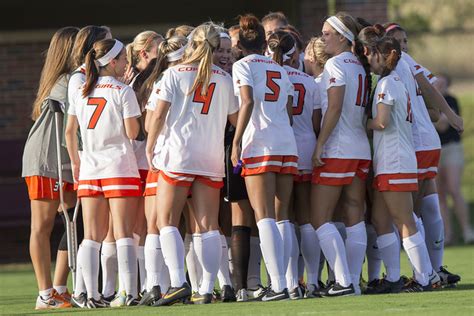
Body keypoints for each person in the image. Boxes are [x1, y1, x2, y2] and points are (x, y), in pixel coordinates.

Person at [146, 23, 238, 306]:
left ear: (193, 44)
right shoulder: (224, 78)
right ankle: (208, 288)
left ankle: (176, 283)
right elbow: (235, 120)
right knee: (209, 225)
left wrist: (150, 147)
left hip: (179, 155)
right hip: (210, 157)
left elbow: (158, 116)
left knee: (166, 221)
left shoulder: (173, 73)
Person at [65, 38, 142, 308]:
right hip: (119, 166)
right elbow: (133, 133)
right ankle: (129, 292)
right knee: (123, 233)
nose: (126, 63)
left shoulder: (82, 90)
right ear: (112, 61)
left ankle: (88, 295)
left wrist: (76, 162)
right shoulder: (123, 90)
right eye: (123, 59)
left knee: (91, 236)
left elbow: (69, 133)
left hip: (90, 168)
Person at [357, 26, 434, 293]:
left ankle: (426, 278)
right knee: (383, 218)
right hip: (396, 158)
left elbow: (382, 121)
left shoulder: (387, 83)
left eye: (372, 54)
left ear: (382, 55)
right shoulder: (397, 82)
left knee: (405, 221)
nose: (369, 59)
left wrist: (363, 122)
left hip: (395, 160)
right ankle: (394, 278)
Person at [385, 22, 461, 287]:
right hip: (425, 141)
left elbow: (430, 90)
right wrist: (436, 114)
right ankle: (434, 269)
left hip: (414, 144)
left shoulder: (398, 63)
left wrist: (448, 115)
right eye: (398, 40)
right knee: (428, 205)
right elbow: (430, 94)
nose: (403, 46)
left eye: (404, 41)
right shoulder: (406, 63)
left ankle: (425, 273)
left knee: (407, 212)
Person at [231, 14, 298, 301]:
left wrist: (236, 141)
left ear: (240, 44)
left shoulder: (242, 65)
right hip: (286, 142)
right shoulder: (278, 67)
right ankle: (292, 284)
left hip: (260, 143)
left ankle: (278, 285)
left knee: (264, 217)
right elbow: (290, 111)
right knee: (283, 218)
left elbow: (247, 101)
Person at [311, 13, 369, 297]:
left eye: (328, 33)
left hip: (338, 148)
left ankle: (343, 281)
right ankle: (354, 281)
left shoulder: (335, 64)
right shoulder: (360, 64)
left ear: (345, 37)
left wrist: (320, 144)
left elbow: (333, 107)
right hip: (360, 147)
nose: (323, 38)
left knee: (320, 217)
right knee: (354, 214)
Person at [22, 26, 79, 310]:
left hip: (65, 159)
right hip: (47, 158)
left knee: (76, 220)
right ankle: (45, 293)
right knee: (42, 225)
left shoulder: (74, 78)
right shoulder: (65, 81)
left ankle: (59, 288)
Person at [267, 29, 322, 299]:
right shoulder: (310, 82)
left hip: (281, 147)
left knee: (282, 216)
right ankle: (312, 281)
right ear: (297, 53)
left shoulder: (269, 74)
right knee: (307, 219)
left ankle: (289, 281)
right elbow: (315, 123)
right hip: (306, 146)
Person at [138, 35, 188, 306]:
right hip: (189, 156)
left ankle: (158, 284)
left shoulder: (164, 79)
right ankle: (165, 284)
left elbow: (150, 123)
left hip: (165, 156)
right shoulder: (197, 76)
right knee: (194, 225)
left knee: (156, 224)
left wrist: (151, 147)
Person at [66, 25, 111, 308]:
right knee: (91, 230)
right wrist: (75, 160)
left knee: (100, 230)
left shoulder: (98, 78)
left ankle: (89, 291)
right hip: (93, 158)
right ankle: (82, 291)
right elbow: (73, 128)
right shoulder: (79, 79)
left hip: (100, 159)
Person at [434, 74, 474, 245]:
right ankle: (447, 234)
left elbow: (442, 125)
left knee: (453, 188)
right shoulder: (429, 101)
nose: (439, 85)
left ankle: (467, 230)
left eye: (442, 82)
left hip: (451, 148)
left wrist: (432, 118)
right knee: (439, 194)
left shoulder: (451, 100)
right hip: (435, 150)